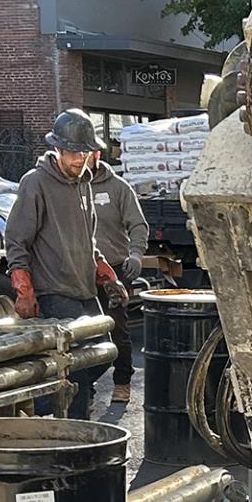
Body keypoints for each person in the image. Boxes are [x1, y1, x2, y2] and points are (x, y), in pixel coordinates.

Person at [6, 109, 129, 420]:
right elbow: (16, 240)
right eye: (73, 152)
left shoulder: (84, 183)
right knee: (78, 369)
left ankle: (37, 405)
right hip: (55, 291)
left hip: (84, 289)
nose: (79, 159)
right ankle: (76, 437)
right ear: (57, 149)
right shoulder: (35, 183)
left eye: (84, 152)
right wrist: (24, 289)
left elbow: (89, 239)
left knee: (103, 354)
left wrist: (106, 275)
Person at [91, 154, 149, 406]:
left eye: (88, 152)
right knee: (85, 332)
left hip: (113, 270)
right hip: (79, 272)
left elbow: (137, 224)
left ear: (97, 155)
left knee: (117, 328)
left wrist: (135, 255)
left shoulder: (118, 188)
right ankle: (85, 386)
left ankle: (123, 380)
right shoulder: (70, 187)